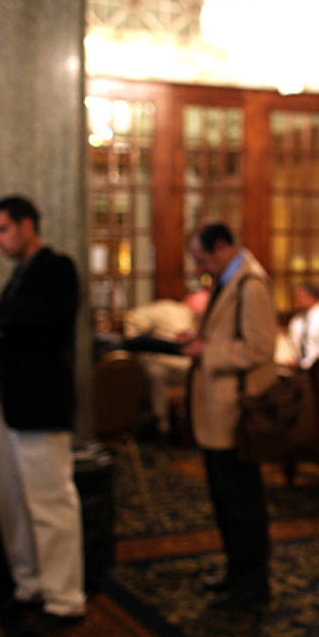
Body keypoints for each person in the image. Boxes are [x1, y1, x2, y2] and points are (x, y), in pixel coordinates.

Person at [0, 195, 86, 631]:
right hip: (12, 403)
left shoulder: (57, 268)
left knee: (50, 502)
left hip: (41, 404)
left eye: (3, 229)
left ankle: (65, 598)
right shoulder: (18, 277)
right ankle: (31, 586)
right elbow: (14, 341)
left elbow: (40, 324)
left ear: (29, 225)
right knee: (13, 502)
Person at [182, 223, 278, 609]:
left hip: (234, 413)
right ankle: (236, 573)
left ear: (222, 247)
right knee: (225, 501)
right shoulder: (228, 280)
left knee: (242, 502)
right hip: (216, 411)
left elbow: (259, 348)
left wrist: (207, 351)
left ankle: (253, 583)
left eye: (203, 258)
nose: (200, 266)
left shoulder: (250, 284)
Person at [122, 289, 210, 439]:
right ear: (190, 300)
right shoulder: (169, 309)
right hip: (160, 362)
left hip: (182, 365)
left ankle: (192, 424)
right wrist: (137, 343)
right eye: (202, 304)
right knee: (156, 372)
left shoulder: (197, 322)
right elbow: (132, 319)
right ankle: (161, 425)